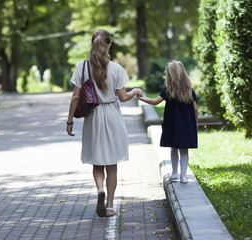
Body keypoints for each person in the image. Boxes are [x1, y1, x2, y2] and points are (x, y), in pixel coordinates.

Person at [66, 29, 142, 217]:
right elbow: (123, 97)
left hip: (93, 117)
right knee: (112, 163)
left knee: (98, 162)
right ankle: (109, 206)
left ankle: (100, 189)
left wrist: (69, 121)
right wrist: (135, 92)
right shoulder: (116, 69)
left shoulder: (81, 67)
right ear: (108, 46)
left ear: (92, 43)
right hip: (112, 116)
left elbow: (75, 97)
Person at [138, 60, 198, 184]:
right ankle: (183, 176)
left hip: (172, 125)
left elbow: (155, 102)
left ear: (169, 75)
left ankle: (174, 172)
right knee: (184, 150)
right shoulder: (189, 90)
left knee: (174, 148)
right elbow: (196, 108)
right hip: (186, 125)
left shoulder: (168, 90)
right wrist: (195, 122)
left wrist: (140, 97)